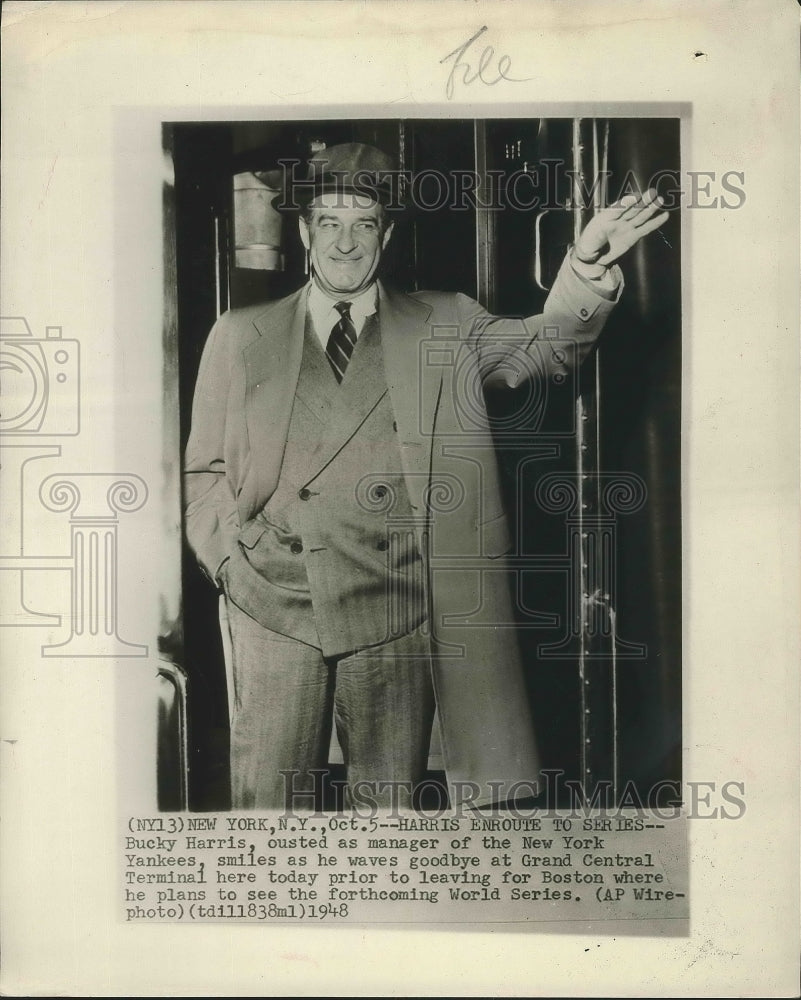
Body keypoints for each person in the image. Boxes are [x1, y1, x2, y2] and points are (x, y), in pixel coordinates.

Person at [183, 142, 667, 811]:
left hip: (395, 604)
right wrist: (228, 565)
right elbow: (203, 468)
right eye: (328, 222)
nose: (344, 242)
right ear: (302, 232)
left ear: (386, 235)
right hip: (272, 601)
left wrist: (584, 266)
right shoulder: (239, 334)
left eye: (361, 224)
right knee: (267, 813)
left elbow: (550, 348)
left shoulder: (444, 322)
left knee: (388, 821)